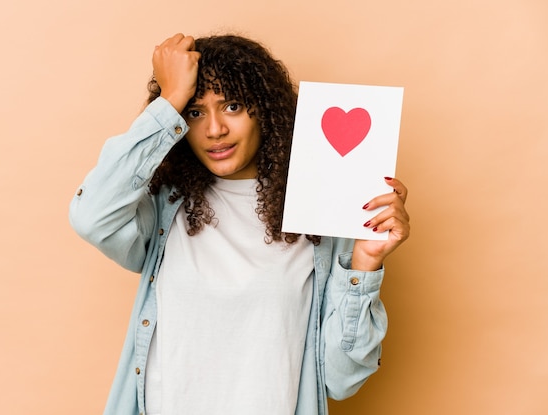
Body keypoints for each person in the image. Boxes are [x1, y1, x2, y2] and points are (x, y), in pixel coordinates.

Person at [69, 33, 410, 415]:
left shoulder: (318, 221)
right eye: (195, 112)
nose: (214, 130)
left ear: (264, 110)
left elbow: (341, 379)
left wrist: (365, 264)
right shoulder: (165, 209)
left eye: (232, 106)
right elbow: (90, 216)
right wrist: (168, 102)